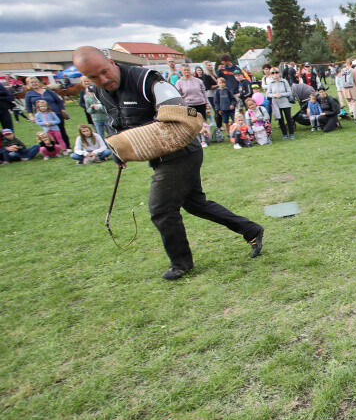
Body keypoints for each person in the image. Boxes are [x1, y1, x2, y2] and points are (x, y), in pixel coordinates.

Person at [73, 46, 263, 280]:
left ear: (112, 62)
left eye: (104, 72)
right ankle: (250, 229)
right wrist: (119, 151)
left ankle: (180, 264)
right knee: (195, 204)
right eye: (93, 77)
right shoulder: (101, 92)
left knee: (161, 209)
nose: (103, 80)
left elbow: (182, 117)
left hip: (181, 152)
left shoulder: (148, 81)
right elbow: (117, 123)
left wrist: (136, 141)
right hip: (160, 156)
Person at [24, 77, 70, 152]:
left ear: (39, 82)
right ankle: (55, 148)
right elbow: (28, 106)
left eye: (35, 82)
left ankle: (67, 147)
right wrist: (31, 116)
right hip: (43, 116)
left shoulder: (48, 91)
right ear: (28, 84)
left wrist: (62, 110)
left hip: (55, 114)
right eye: (31, 82)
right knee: (49, 133)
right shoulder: (29, 94)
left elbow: (59, 101)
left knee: (61, 131)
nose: (34, 83)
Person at [265, 69, 294, 139]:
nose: (275, 74)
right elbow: (268, 94)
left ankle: (291, 133)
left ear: (279, 73)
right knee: (280, 119)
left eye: (276, 72)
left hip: (285, 102)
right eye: (273, 73)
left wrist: (281, 94)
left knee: (288, 118)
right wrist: (274, 95)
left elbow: (289, 92)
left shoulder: (284, 81)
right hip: (276, 104)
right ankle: (284, 134)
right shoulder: (271, 83)